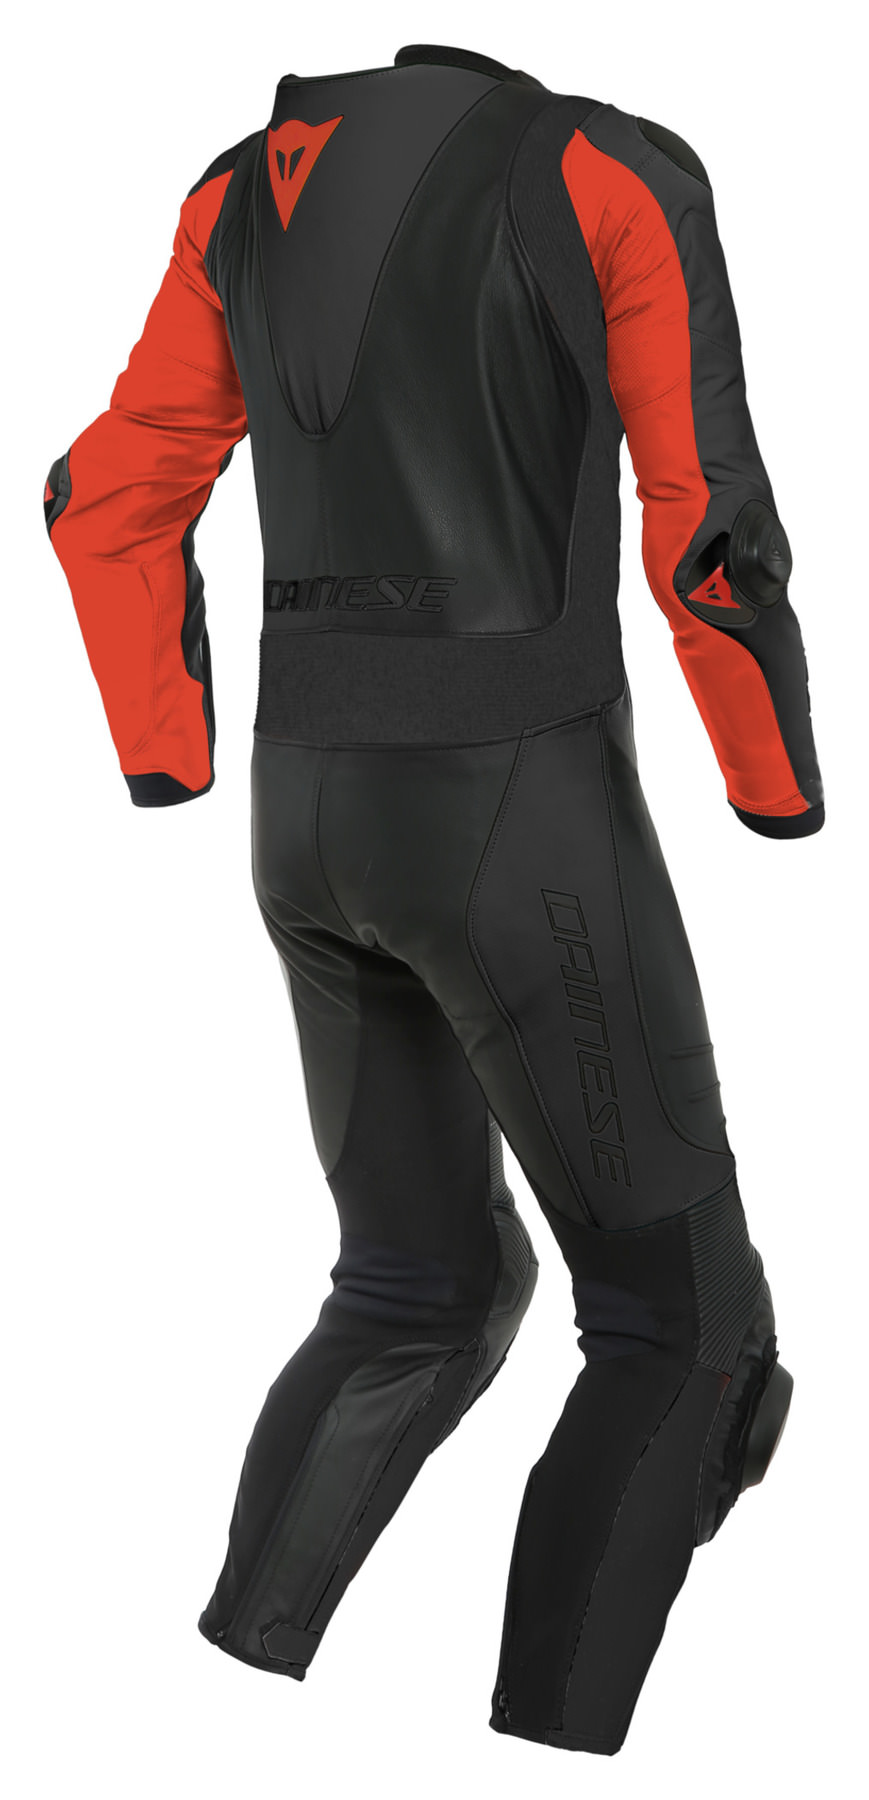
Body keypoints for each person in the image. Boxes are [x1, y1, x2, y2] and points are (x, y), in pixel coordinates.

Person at [43, 41, 824, 1756]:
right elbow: (710, 538)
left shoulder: (236, 194)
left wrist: (167, 753)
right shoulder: (598, 168)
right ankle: (547, 1745)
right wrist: (772, 786)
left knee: (417, 1288)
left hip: (304, 818)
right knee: (685, 1333)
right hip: (515, 815)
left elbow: (105, 498)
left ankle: (205, 1720)